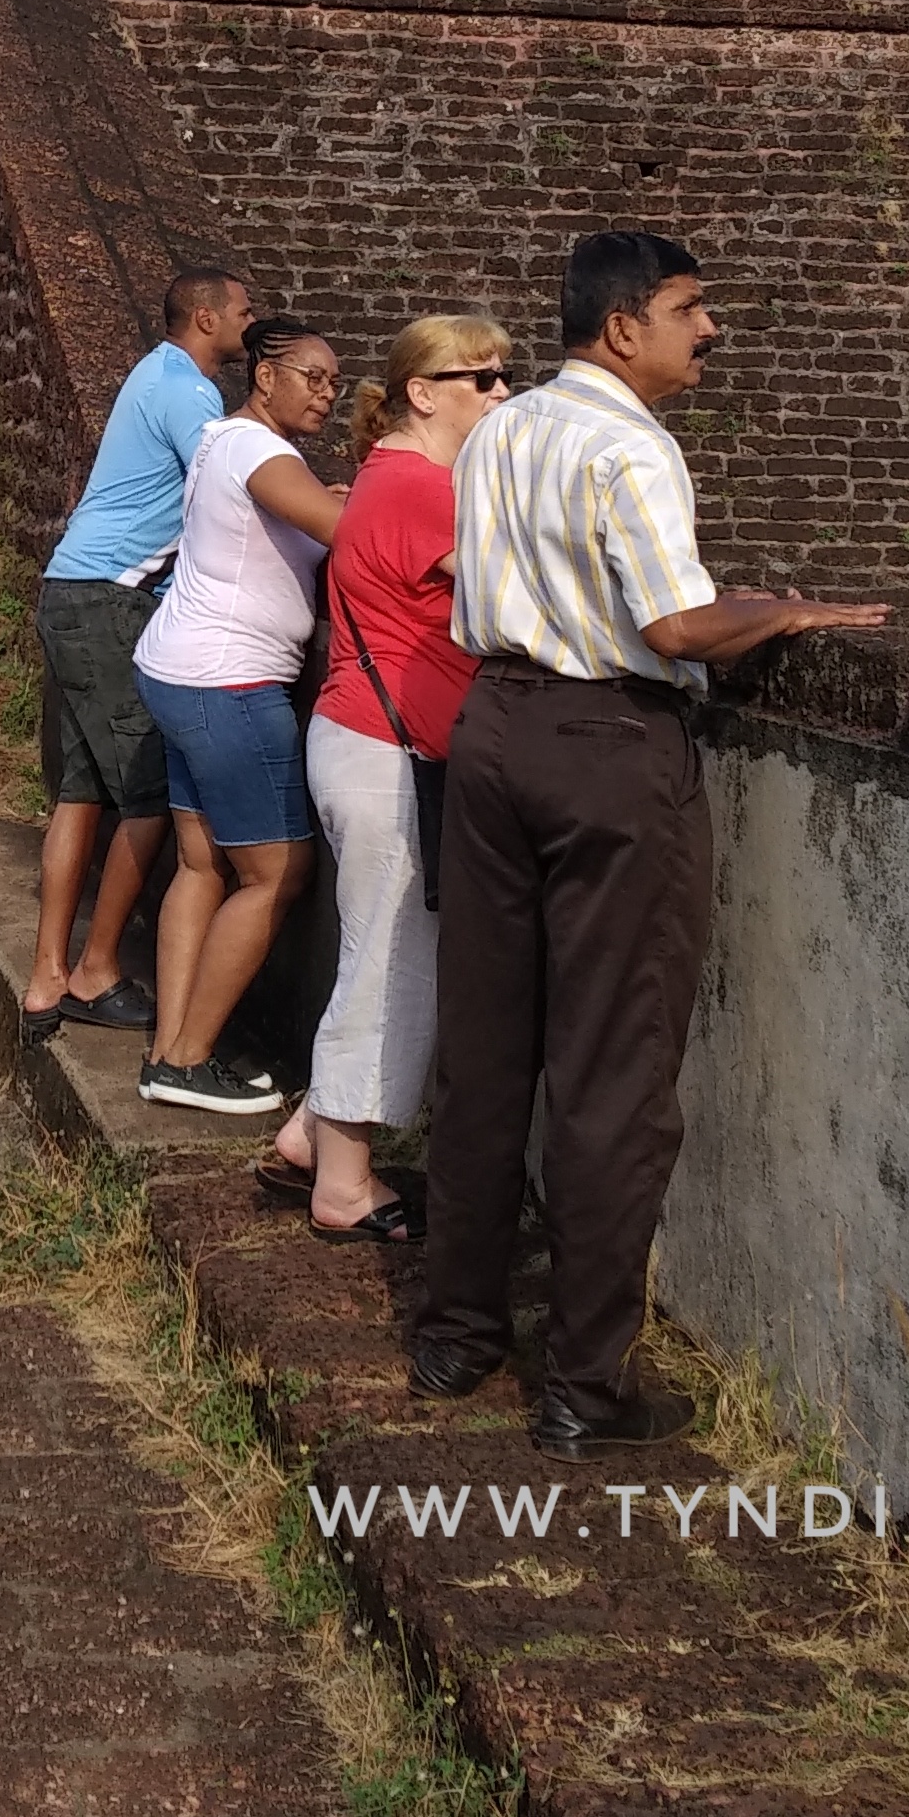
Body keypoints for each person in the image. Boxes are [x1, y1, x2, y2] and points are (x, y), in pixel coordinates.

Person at [409, 232, 891, 1456]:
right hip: (605, 746)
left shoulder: (502, 428)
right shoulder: (630, 444)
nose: (708, 329)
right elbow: (674, 623)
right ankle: (583, 1383)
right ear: (622, 328)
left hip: (494, 728)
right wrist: (781, 609)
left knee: (482, 1049)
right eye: (689, 308)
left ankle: (457, 1332)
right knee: (612, 1070)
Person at [261, 313, 512, 1241]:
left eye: (503, 376)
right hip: (387, 751)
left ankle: (308, 1136)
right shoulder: (420, 489)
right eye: (480, 379)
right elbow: (521, 596)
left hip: (367, 739)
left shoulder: (391, 477)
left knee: (381, 948)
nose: (501, 393)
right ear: (422, 391)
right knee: (393, 960)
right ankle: (346, 1183)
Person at [24, 269, 259, 1042]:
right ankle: (92, 969)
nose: (249, 325)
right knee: (149, 794)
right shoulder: (189, 392)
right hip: (106, 597)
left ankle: (47, 973)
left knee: (84, 788)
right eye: (242, 313)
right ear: (205, 318)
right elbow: (229, 485)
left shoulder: (150, 372)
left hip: (77, 589)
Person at [127, 317, 346, 1114]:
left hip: (177, 669)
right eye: (311, 377)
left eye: (333, 382)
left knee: (200, 863)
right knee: (277, 872)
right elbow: (352, 537)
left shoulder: (223, 439)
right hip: (229, 682)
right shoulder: (263, 452)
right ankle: (189, 1059)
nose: (326, 393)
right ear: (264, 377)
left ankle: (167, 1051)